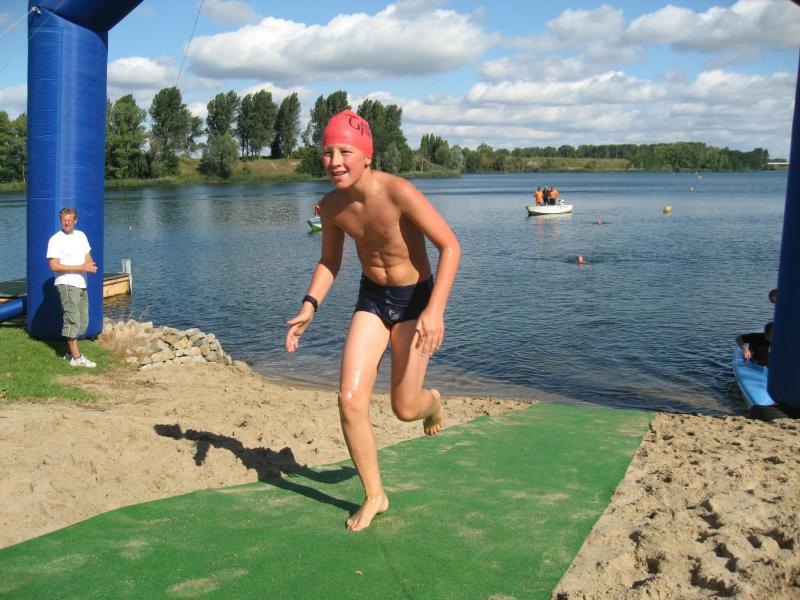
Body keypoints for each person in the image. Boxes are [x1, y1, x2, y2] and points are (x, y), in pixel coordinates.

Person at [285, 110, 460, 532]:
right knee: (349, 399)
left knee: (404, 408)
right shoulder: (331, 205)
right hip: (372, 298)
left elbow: (450, 247)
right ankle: (375, 495)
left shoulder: (399, 192)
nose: (334, 161)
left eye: (345, 151)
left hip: (415, 300)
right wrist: (310, 305)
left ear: (367, 155)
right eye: (327, 152)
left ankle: (432, 402)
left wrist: (435, 310)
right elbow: (330, 261)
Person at [47, 207, 98, 368]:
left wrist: (90, 264)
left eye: (69, 220)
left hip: (81, 283)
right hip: (66, 283)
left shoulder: (81, 236)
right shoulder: (55, 239)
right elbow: (53, 266)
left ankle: (70, 352)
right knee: (72, 319)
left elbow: (87, 255)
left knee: (82, 321)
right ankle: (76, 357)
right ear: (60, 220)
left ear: (75, 220)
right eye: (64, 220)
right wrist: (81, 267)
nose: (66, 223)